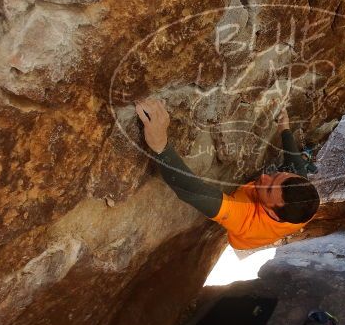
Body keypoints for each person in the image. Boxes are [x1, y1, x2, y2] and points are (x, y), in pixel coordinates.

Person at [135, 97, 320, 250]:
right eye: (277, 176)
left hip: (241, 241)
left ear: (273, 213)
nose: (264, 177)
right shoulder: (302, 199)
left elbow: (190, 190)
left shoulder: (245, 219)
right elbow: (296, 166)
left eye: (269, 189)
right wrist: (285, 129)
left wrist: (160, 145)